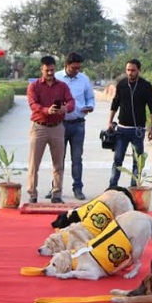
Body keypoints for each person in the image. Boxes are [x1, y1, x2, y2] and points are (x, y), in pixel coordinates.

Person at [26, 55, 74, 204]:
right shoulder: (34, 86)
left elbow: (71, 101)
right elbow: (33, 104)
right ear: (41, 69)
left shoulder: (62, 86)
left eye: (52, 70)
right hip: (39, 127)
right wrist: (47, 110)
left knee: (58, 163)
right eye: (47, 70)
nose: (50, 73)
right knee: (34, 163)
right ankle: (32, 193)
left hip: (57, 128)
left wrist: (65, 108)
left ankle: (57, 193)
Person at [106, 59, 152, 189]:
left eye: (133, 70)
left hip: (137, 131)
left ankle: (134, 188)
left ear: (139, 70)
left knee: (137, 162)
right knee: (118, 160)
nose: (130, 73)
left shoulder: (146, 86)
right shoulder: (122, 84)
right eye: (128, 70)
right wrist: (110, 121)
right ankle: (112, 186)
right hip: (122, 130)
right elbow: (115, 103)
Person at [55, 52, 95, 201]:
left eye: (79, 68)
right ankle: (56, 188)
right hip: (59, 124)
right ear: (66, 65)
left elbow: (90, 97)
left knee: (77, 158)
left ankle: (78, 188)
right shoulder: (57, 78)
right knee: (58, 158)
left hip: (78, 124)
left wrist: (90, 106)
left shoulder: (84, 79)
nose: (76, 70)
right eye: (73, 68)